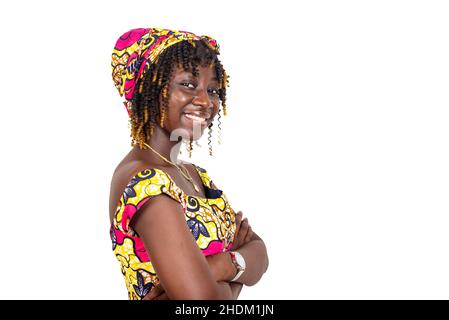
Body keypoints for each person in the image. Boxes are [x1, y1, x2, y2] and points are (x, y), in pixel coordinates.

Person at [109, 27, 269, 300]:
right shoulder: (144, 180)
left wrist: (218, 266)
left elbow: (260, 253)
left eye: (213, 90)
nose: (206, 101)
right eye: (188, 84)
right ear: (148, 88)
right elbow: (202, 303)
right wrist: (236, 269)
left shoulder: (195, 175)